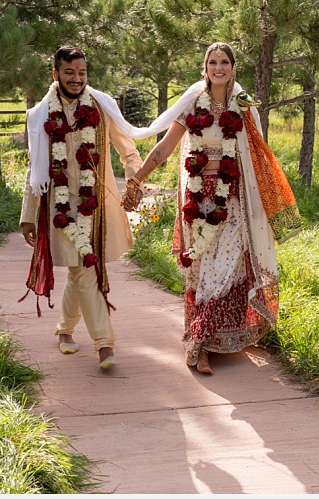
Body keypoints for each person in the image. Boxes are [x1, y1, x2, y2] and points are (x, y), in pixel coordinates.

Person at [121, 42, 301, 374]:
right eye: (212, 62)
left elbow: (260, 154)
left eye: (224, 62)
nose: (218, 68)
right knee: (203, 272)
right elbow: (164, 148)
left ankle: (204, 341)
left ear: (233, 68)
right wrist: (137, 179)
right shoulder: (192, 104)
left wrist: (265, 200)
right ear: (205, 69)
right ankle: (199, 343)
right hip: (198, 201)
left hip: (232, 199)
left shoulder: (244, 106)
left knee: (226, 268)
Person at [19, 45, 143, 370]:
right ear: (55, 73)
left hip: (96, 205)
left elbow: (128, 151)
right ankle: (105, 345)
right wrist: (27, 216)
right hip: (59, 207)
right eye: (69, 72)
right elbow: (36, 170)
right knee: (83, 269)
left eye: (82, 72)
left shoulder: (102, 107)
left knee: (81, 271)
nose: (77, 79)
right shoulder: (40, 115)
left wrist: (134, 181)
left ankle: (64, 330)